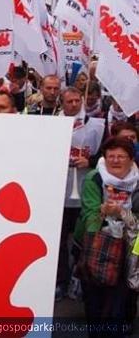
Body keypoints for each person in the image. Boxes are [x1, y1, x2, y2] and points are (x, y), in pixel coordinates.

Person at [74, 137, 139, 334]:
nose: (116, 161)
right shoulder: (95, 178)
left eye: (121, 156)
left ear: (131, 159)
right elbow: (89, 214)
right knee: (94, 302)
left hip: (129, 249)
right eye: (111, 156)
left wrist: (121, 213)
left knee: (120, 302)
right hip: (96, 247)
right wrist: (102, 214)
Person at [57, 87, 105, 301]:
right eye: (70, 101)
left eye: (78, 100)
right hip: (60, 193)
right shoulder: (52, 124)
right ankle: (61, 280)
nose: (74, 105)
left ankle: (80, 277)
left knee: (84, 241)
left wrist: (91, 162)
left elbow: (107, 154)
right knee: (58, 242)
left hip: (85, 195)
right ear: (62, 103)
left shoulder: (96, 125)